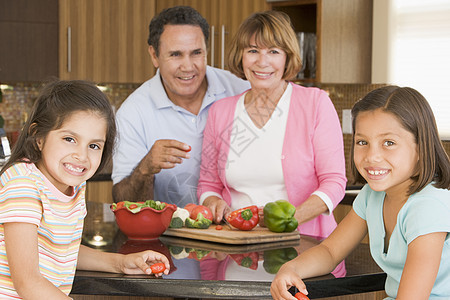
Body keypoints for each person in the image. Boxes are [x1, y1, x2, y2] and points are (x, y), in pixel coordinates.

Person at [271, 86, 450, 300]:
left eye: (389, 143)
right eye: (362, 142)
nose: (372, 156)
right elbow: (330, 251)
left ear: (421, 148)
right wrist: (290, 269)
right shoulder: (372, 196)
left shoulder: (428, 207)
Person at [0, 80, 170, 299]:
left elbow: (63, 250)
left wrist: (121, 263)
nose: (82, 155)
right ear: (39, 137)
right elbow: (28, 282)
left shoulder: (74, 186)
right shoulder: (23, 184)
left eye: (94, 146)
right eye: (69, 139)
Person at [197, 11, 347, 238]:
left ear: (287, 57)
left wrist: (289, 221)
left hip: (303, 247)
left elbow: (334, 182)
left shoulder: (315, 103)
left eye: (273, 52)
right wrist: (213, 201)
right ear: (241, 56)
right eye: (253, 51)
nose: (262, 61)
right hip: (236, 248)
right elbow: (208, 183)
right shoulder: (221, 111)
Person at [112, 6, 250, 207]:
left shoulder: (239, 90)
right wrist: (146, 167)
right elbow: (123, 202)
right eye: (176, 54)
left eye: (196, 53)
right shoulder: (133, 113)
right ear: (154, 55)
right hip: (171, 234)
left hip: (240, 229)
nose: (187, 66)